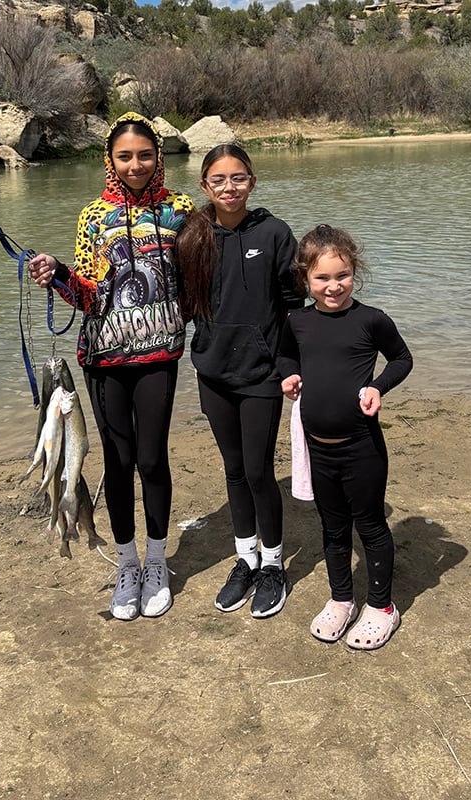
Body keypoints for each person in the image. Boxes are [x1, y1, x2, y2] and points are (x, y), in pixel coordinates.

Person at [29, 112, 195, 621]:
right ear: (110, 160)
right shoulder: (92, 217)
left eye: (145, 154)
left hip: (160, 355)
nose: (136, 164)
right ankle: (126, 565)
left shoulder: (181, 210)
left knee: (151, 459)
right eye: (125, 156)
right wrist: (57, 273)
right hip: (103, 357)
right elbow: (88, 293)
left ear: (158, 156)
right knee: (118, 463)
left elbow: (198, 280)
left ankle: (156, 561)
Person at [176, 144, 303, 618]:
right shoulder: (191, 235)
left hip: (261, 374)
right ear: (205, 185)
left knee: (257, 470)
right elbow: (180, 301)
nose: (229, 188)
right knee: (232, 470)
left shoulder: (274, 233)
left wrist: (292, 365)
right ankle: (245, 557)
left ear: (252, 181)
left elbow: (294, 306)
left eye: (239, 178)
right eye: (219, 180)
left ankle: (273, 565)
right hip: (212, 372)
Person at [278, 224, 413, 649]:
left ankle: (380, 607)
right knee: (333, 528)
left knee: (371, 526)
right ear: (305, 279)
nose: (333, 286)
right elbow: (284, 355)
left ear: (354, 271)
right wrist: (289, 375)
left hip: (362, 448)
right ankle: (341, 599)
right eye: (322, 278)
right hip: (318, 449)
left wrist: (377, 387)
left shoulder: (372, 320)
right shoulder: (296, 320)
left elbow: (402, 359)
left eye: (342, 275)